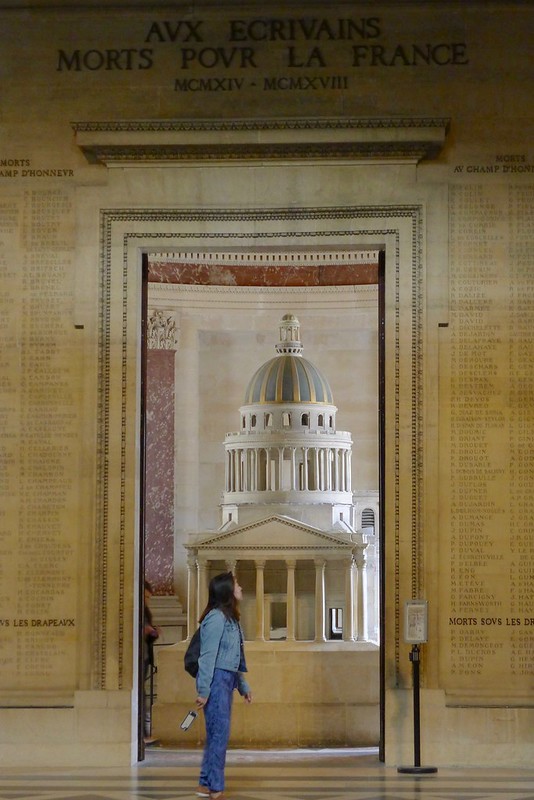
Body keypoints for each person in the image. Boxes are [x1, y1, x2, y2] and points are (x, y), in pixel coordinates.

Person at [195, 572, 252, 800]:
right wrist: (203, 691)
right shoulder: (216, 619)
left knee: (216, 735)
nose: (240, 587)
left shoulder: (230, 619)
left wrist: (243, 686)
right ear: (227, 590)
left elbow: (234, 658)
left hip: (226, 679)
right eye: (237, 584)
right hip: (216, 681)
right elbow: (207, 657)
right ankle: (216, 788)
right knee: (219, 735)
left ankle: (204, 783)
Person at [143, 580, 161, 741]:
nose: (147, 600)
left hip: (145, 656)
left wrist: (153, 632)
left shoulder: (145, 612)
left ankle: (143, 732)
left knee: (142, 694)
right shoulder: (136, 610)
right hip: (137, 656)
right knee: (140, 695)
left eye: (149, 597)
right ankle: (141, 732)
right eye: (146, 597)